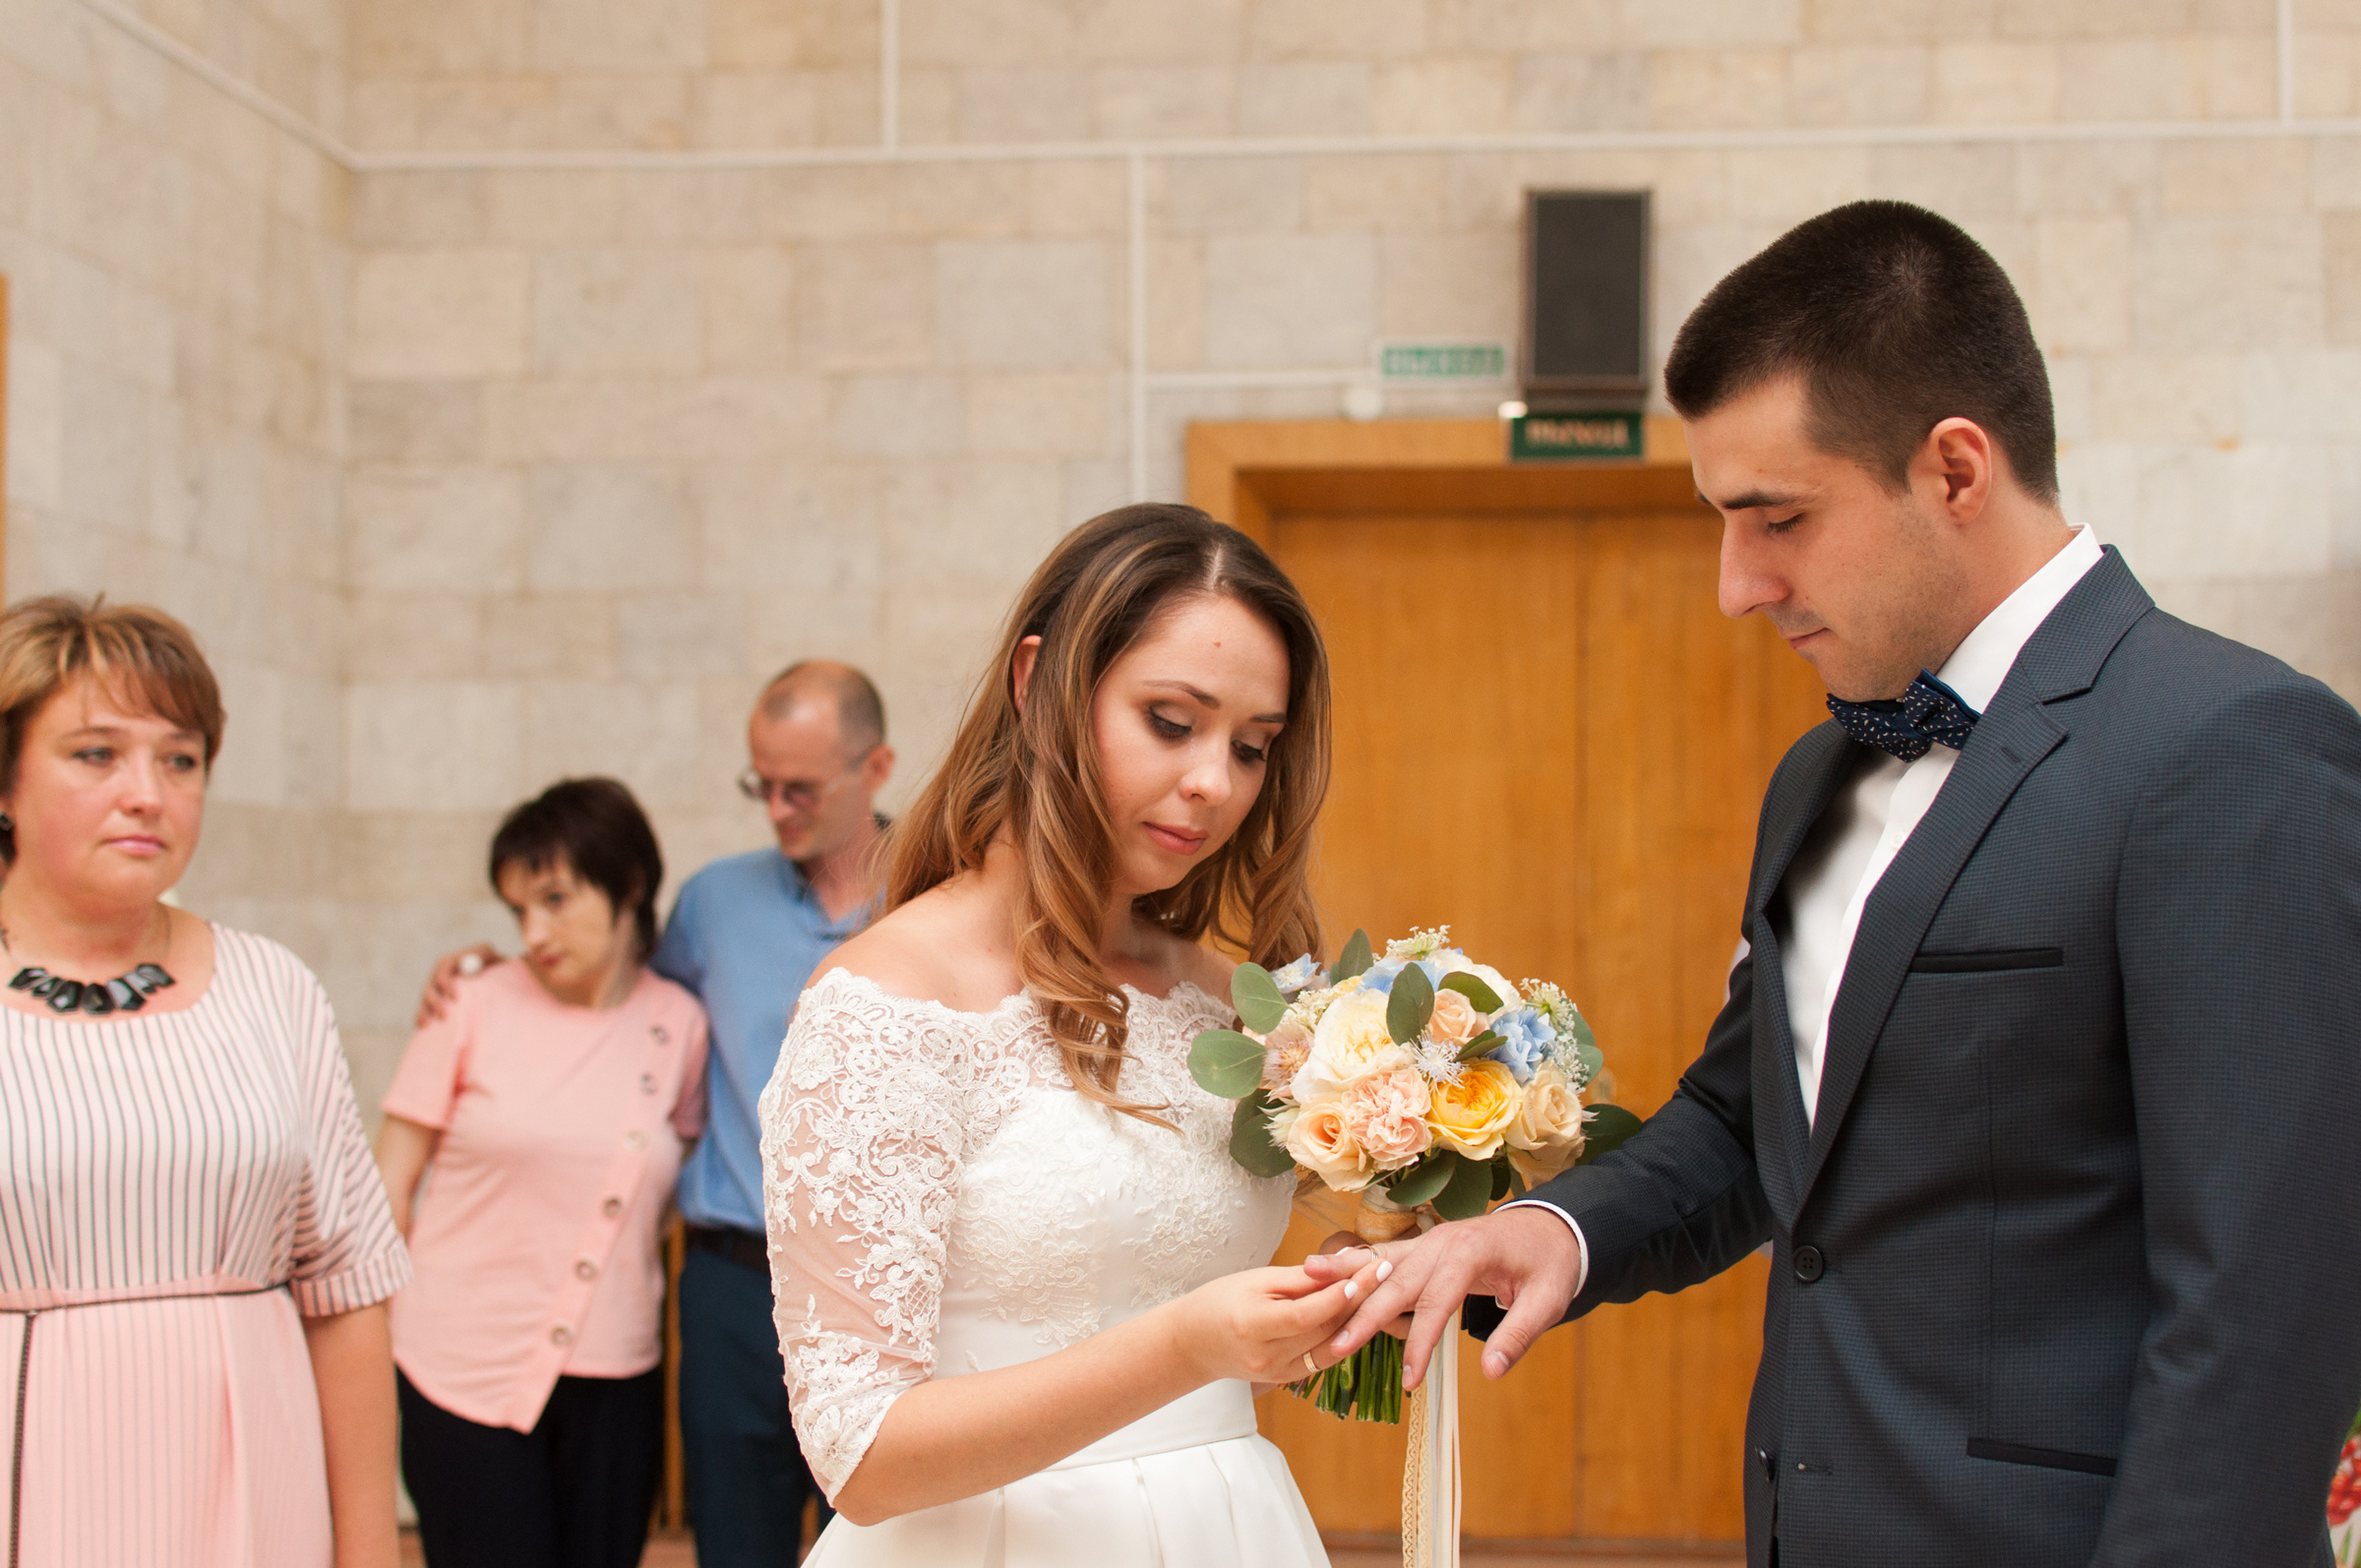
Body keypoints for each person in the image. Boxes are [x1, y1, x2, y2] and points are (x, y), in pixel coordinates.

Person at [1316, 201, 2361, 1567]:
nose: (1737, 586)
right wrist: (1558, 1227)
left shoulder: (2228, 748)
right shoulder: (1819, 775)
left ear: (1956, 469)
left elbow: (2265, 1300)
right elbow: (1753, 1117)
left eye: (1780, 520)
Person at [759, 504, 1384, 1564]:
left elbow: (1188, 1306)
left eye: (1251, 747)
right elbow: (861, 1459)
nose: (1215, 783)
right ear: (1037, 682)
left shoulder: (1224, 1001)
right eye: (1171, 722)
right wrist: (1187, 1346)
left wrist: (1333, 1297)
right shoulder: (888, 1001)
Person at [415, 661, 893, 1563]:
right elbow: (622, 1005)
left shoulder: (942, 892)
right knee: (734, 1544)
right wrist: (498, 971)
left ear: (876, 768)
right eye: (761, 784)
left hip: (885, 1287)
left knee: (886, 1545)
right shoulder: (714, 903)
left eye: (800, 788)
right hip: (732, 1286)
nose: (777, 808)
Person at [0, 595, 410, 1567]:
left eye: (179, 760)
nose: (147, 793)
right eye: (96, 754)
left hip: (255, 1487)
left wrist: (367, 1553)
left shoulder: (273, 986)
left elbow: (347, 1295)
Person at [376, 777, 709, 1568]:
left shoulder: (681, 1025)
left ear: (629, 884)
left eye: (556, 900)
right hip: (456, 1367)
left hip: (617, 1376)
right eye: (519, 909)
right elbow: (387, 1188)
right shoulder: (469, 1002)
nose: (534, 931)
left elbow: (671, 1184)